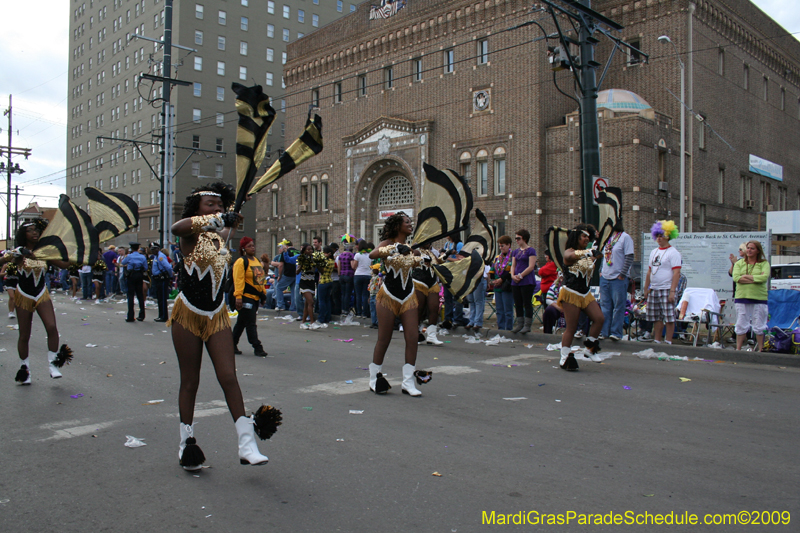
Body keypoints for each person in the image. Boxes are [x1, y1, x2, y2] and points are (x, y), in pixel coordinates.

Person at [168, 182, 272, 470]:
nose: (216, 208)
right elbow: (177, 227)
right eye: (209, 204)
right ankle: (186, 443)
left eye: (219, 204)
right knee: (191, 381)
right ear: (197, 209)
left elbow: (228, 227)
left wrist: (235, 210)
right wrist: (215, 219)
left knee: (229, 376)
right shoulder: (189, 234)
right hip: (188, 314)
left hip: (217, 315)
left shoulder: (220, 236)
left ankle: (246, 444)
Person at [0, 219, 73, 384]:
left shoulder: (44, 253)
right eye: (30, 230)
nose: (35, 233)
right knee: (24, 335)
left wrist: (74, 253)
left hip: (42, 294)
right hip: (23, 295)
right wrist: (12, 254)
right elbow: (2, 261)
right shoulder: (18, 253)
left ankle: (53, 364)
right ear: (23, 234)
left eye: (37, 230)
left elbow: (65, 264)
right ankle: (24, 369)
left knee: (52, 327)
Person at [368, 212, 431, 397]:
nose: (410, 224)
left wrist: (420, 257)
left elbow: (423, 263)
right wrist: (395, 249)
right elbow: (373, 254)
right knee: (384, 339)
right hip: (388, 296)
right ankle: (374, 378)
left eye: (410, 222)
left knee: (412, 338)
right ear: (397, 226)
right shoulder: (387, 243)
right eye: (407, 222)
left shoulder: (412, 248)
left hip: (408, 297)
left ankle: (408, 382)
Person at [557, 224, 605, 371]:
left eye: (588, 237)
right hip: (571, 292)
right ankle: (564, 355)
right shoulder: (569, 252)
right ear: (576, 237)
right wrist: (590, 251)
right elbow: (569, 257)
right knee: (572, 327)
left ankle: (590, 349)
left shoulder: (586, 252)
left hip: (585, 293)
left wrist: (598, 252)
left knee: (599, 318)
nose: (586, 239)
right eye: (584, 236)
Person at [643, 220, 683, 345]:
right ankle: (657, 340)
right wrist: (646, 288)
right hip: (654, 288)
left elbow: (677, 273)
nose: (659, 238)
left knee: (669, 317)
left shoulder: (673, 253)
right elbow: (649, 271)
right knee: (656, 317)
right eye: (657, 235)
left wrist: (672, 291)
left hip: (667, 288)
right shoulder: (653, 252)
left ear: (668, 235)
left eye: (662, 235)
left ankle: (668, 341)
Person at [232, 236, 268, 357]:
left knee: (242, 322)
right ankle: (257, 347)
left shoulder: (256, 261)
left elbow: (260, 280)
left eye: (253, 245)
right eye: (249, 246)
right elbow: (238, 280)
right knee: (250, 323)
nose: (253, 248)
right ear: (243, 249)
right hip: (245, 297)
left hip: (256, 297)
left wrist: (263, 295)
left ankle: (232, 344)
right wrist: (238, 297)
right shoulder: (241, 262)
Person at [598, 221, 634, 341]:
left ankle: (616, 332)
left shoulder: (625, 238)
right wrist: (600, 270)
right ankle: (604, 332)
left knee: (618, 306)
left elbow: (629, 256)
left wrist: (623, 274)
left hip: (618, 278)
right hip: (605, 277)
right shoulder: (607, 238)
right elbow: (604, 256)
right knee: (605, 306)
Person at [732, 241, 770, 351]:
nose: (749, 250)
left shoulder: (764, 264)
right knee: (741, 323)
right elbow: (736, 278)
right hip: (742, 297)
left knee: (759, 324)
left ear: (758, 250)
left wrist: (746, 276)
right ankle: (738, 349)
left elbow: (763, 278)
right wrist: (755, 278)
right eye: (748, 248)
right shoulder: (739, 263)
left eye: (752, 248)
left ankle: (760, 349)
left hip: (759, 298)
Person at [412, 244, 443, 344]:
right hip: (419, 281)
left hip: (432, 283)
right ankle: (414, 333)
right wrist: (420, 259)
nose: (429, 243)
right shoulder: (416, 251)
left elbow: (438, 263)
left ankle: (431, 335)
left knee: (434, 308)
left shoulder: (432, 253)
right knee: (419, 308)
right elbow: (410, 262)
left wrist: (446, 256)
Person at [510, 229, 538, 334]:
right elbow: (513, 265)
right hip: (516, 281)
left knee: (527, 303)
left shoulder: (531, 251)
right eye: (516, 238)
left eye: (518, 238)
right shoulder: (515, 252)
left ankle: (527, 325)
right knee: (518, 303)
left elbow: (531, 266)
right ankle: (519, 324)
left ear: (524, 239)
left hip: (527, 280)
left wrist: (521, 275)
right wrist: (513, 275)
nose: (516, 240)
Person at [441, 234, 467, 328]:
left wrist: (447, 257)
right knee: (447, 297)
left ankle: (458, 319)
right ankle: (448, 319)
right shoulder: (447, 244)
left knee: (457, 297)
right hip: (447, 273)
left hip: (457, 274)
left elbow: (460, 259)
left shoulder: (459, 244)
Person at [489, 235, 514, 331]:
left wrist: (502, 279)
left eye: (502, 245)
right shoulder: (497, 258)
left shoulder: (513, 257)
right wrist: (492, 280)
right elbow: (492, 270)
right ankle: (501, 328)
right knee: (499, 310)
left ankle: (508, 329)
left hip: (507, 286)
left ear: (509, 245)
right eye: (499, 246)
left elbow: (511, 271)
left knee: (508, 310)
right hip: (497, 286)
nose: (501, 248)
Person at [121, 243, 148, 322]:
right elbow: (145, 267)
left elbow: (123, 263)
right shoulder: (142, 257)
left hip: (131, 275)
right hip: (139, 275)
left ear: (131, 249)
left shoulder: (129, 256)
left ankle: (130, 316)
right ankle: (142, 315)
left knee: (130, 295)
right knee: (140, 295)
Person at [150, 242, 174, 322]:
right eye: (152, 249)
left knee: (162, 298)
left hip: (162, 279)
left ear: (158, 249)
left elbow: (168, 267)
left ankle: (164, 316)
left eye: (154, 249)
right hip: (158, 279)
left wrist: (170, 276)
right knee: (159, 298)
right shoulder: (156, 256)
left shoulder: (160, 256)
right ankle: (161, 315)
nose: (153, 251)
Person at [274, 239, 298, 314]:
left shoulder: (285, 252)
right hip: (296, 274)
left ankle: (281, 305)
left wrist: (279, 276)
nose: (281, 248)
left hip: (288, 274)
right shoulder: (298, 252)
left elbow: (281, 265)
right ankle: (293, 307)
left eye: (282, 246)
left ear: (286, 246)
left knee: (278, 287)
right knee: (294, 291)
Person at [465, 261, 489, 331]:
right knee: (471, 300)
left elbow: (486, 271)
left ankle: (478, 322)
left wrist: (488, 282)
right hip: (469, 279)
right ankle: (471, 321)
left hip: (478, 278)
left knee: (478, 301)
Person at [316, 246, 337, 324]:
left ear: (329, 254)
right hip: (330, 281)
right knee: (327, 300)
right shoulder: (332, 261)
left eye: (324, 253)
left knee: (321, 301)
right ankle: (328, 317)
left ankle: (321, 318)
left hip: (323, 281)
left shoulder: (325, 262)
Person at [352, 241, 373, 319]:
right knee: (365, 295)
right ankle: (365, 313)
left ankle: (358, 312)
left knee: (358, 295)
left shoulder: (357, 255)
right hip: (367, 275)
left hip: (358, 275)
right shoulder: (370, 255)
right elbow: (371, 266)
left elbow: (354, 266)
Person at [337, 242, 355, 314]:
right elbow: (352, 265)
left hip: (342, 275)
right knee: (348, 293)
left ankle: (343, 309)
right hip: (349, 275)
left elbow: (339, 266)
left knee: (343, 293)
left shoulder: (340, 255)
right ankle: (346, 309)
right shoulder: (351, 255)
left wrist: (339, 275)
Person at [368, 263, 382, 329]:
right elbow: (370, 287)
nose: (372, 270)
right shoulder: (373, 277)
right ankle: (373, 322)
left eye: (374, 269)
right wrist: (369, 296)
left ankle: (377, 323)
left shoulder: (380, 278)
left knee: (377, 310)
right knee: (372, 309)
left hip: (377, 295)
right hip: (372, 295)